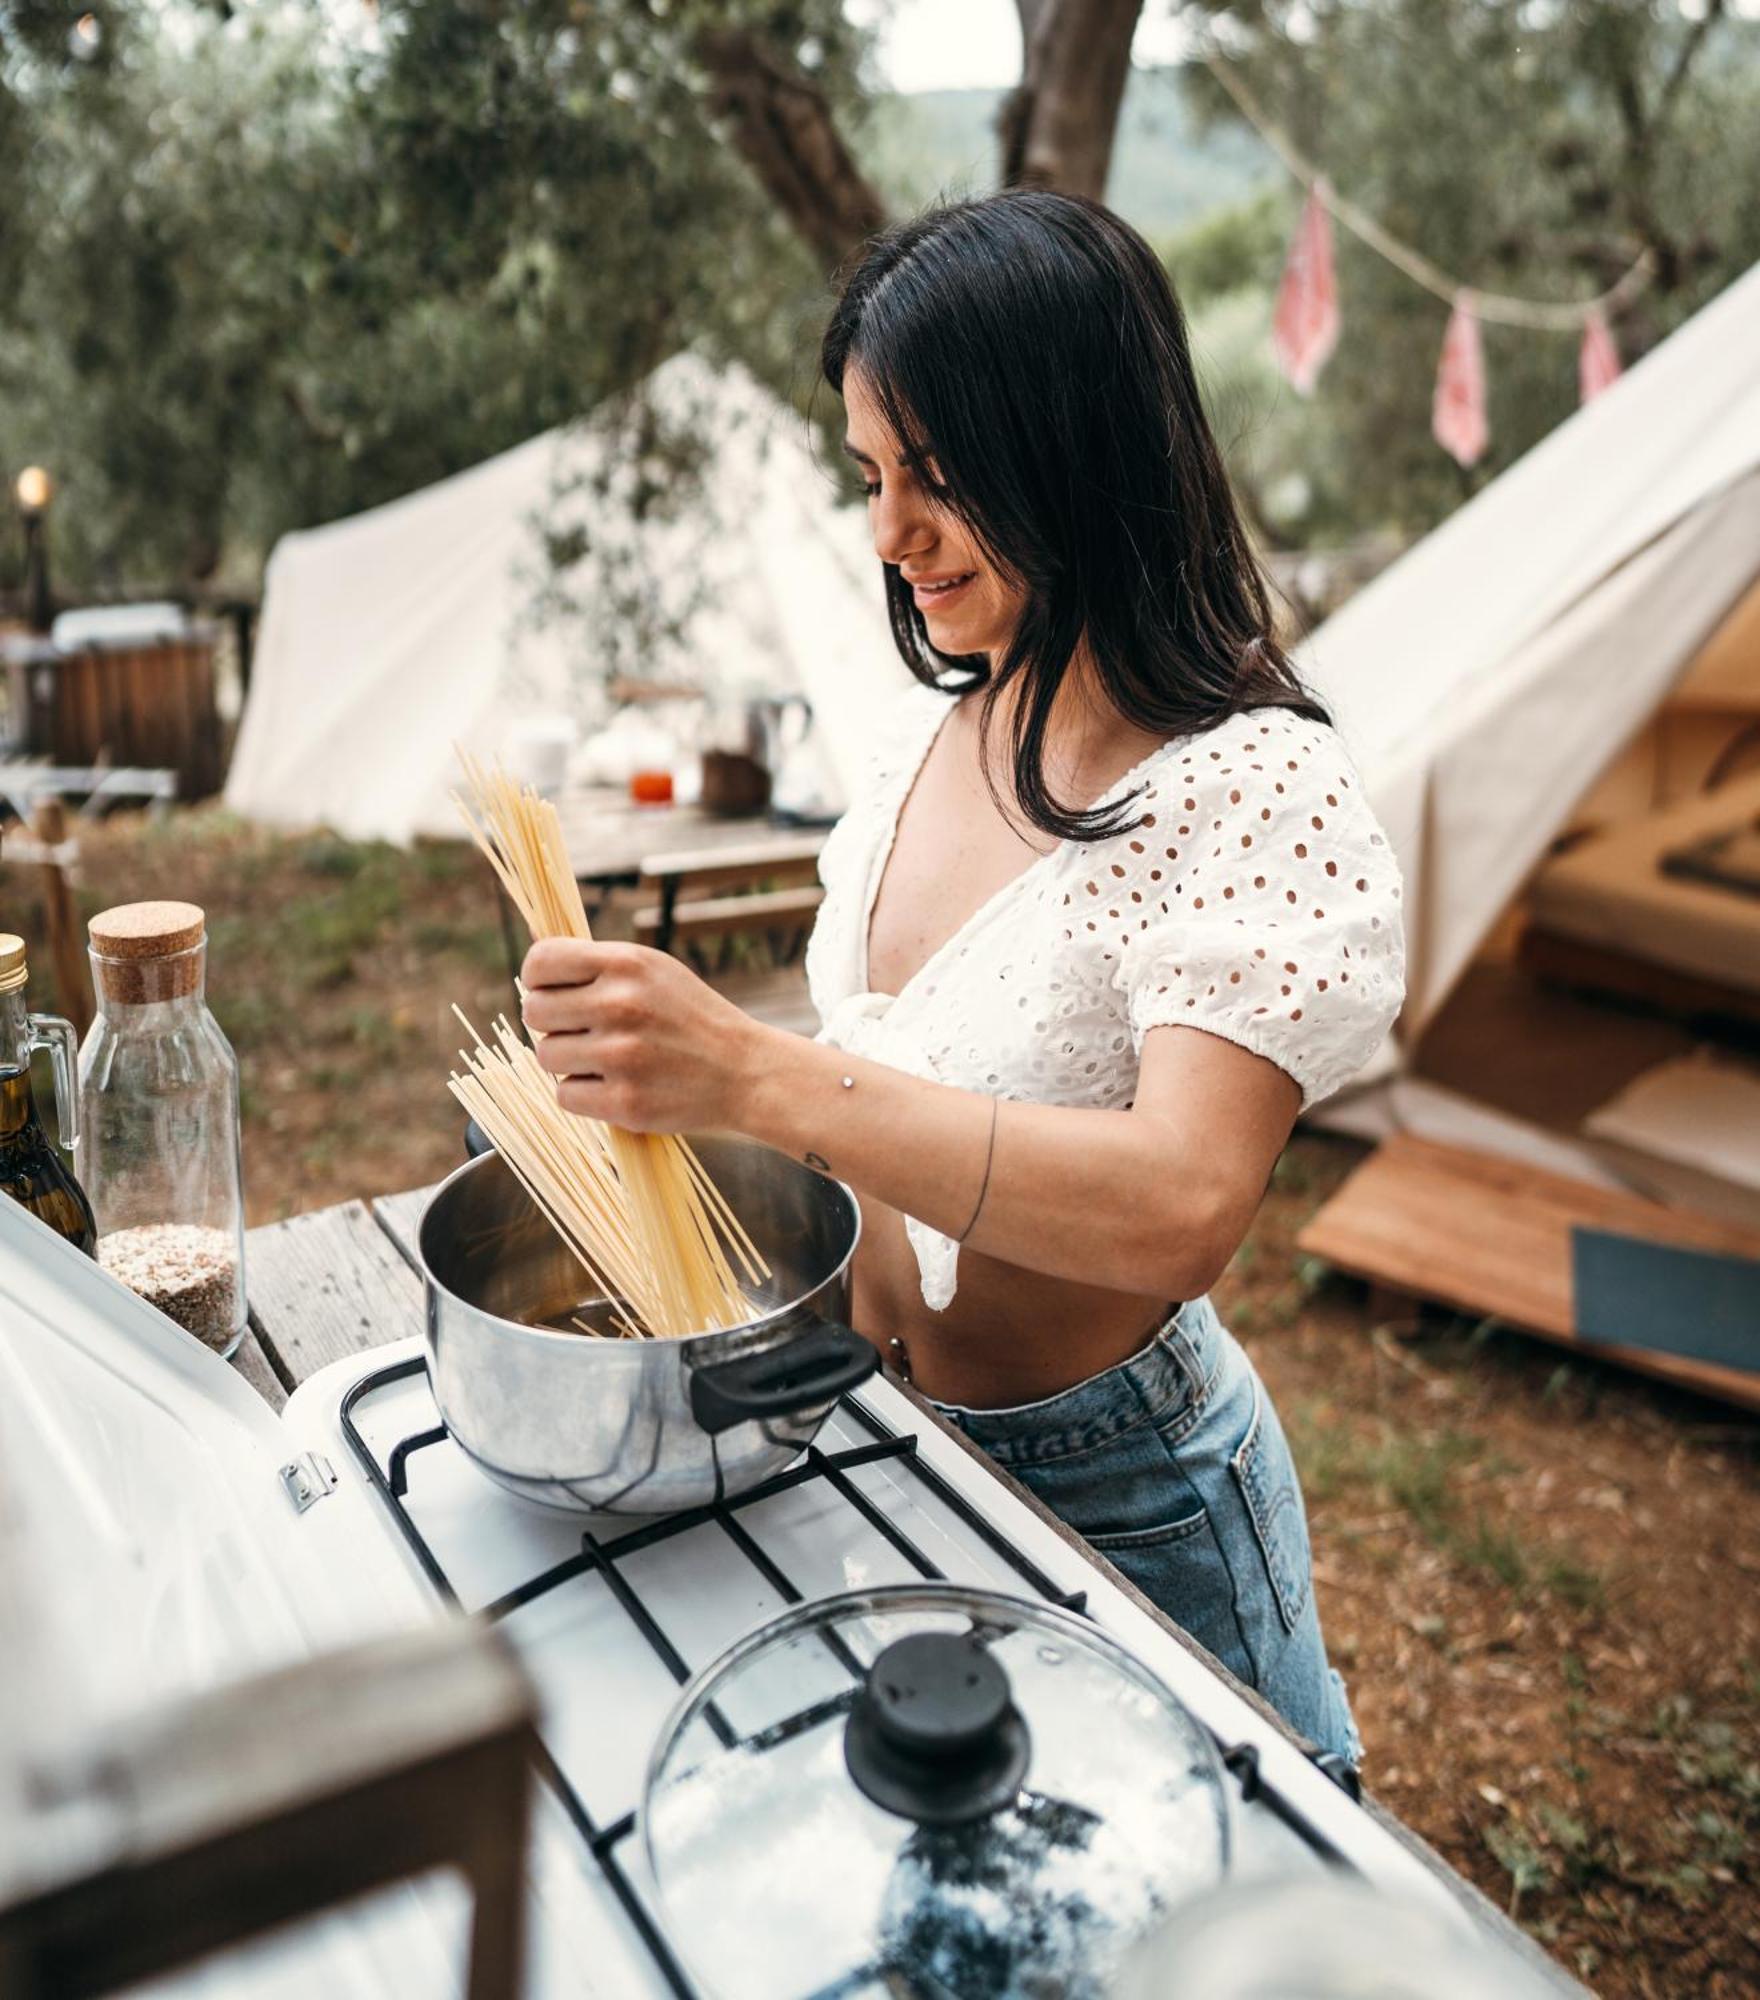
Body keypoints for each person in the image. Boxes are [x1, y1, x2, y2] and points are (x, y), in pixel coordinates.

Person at [520, 190, 1405, 1764]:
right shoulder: (946, 724)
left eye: (935, 476)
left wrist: (755, 1073)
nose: (888, 533)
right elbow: (905, 1057)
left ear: (1076, 448)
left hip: (1127, 1498)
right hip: (880, 1435)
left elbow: (1189, 1201)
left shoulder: (1252, 783)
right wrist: (656, 1073)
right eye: (872, 476)